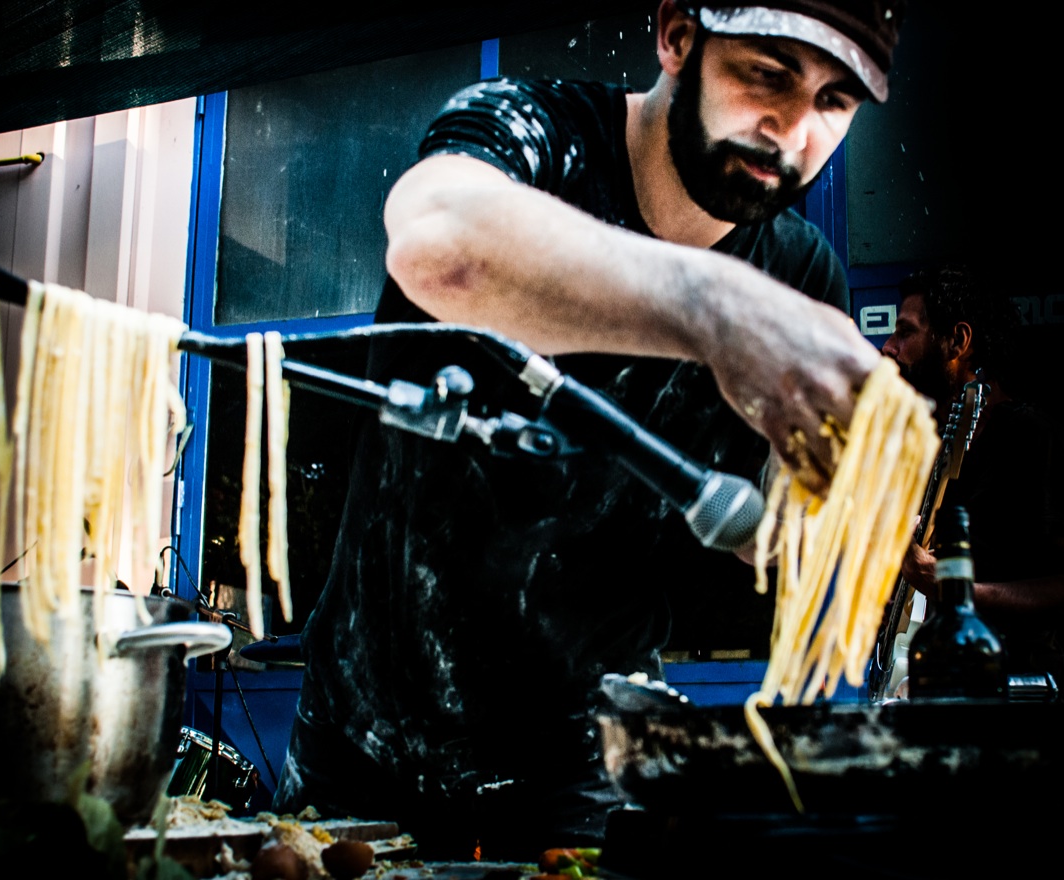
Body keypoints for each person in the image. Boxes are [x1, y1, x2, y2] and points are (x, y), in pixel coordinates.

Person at [273, 0, 907, 860]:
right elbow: (438, 241)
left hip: (580, 760)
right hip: (369, 728)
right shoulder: (530, 130)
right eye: (768, 74)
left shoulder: (802, 273)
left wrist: (812, 517)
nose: (792, 132)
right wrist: (713, 309)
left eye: (833, 103)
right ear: (678, 37)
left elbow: (783, 527)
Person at [881, 264, 1064, 696]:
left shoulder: (1030, 438)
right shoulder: (940, 448)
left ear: (958, 342)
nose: (890, 347)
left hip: (1017, 698)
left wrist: (953, 589)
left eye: (906, 332)